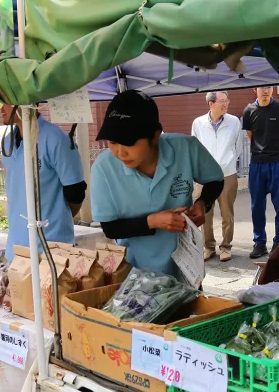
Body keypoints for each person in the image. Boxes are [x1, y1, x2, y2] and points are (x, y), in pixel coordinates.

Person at [91, 90, 224, 278]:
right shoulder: (103, 168)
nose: (120, 152)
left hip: (185, 267)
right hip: (133, 272)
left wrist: (203, 203)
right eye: (112, 142)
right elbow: (110, 227)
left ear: (155, 136)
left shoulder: (185, 148)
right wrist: (153, 221)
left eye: (129, 142)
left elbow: (215, 180)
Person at [0, 104, 87, 254]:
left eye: (6, 102)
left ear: (24, 101)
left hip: (52, 248)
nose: (1, 108)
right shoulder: (7, 142)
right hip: (16, 247)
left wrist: (56, 216)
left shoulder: (56, 139)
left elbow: (76, 192)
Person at [243, 86, 279, 258]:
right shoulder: (249, 111)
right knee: (257, 205)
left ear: (272, 90)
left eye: (269, 87)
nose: (266, 90)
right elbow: (251, 136)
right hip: (257, 164)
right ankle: (259, 243)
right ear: (254, 89)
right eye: (262, 87)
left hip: (278, 164)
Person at [191, 92, 242, 262]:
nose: (225, 104)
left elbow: (239, 146)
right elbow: (194, 147)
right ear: (210, 104)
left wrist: (229, 162)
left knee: (227, 212)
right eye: (221, 101)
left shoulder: (234, 121)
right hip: (204, 175)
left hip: (227, 174)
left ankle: (226, 246)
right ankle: (208, 246)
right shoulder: (198, 123)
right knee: (205, 212)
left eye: (227, 100)